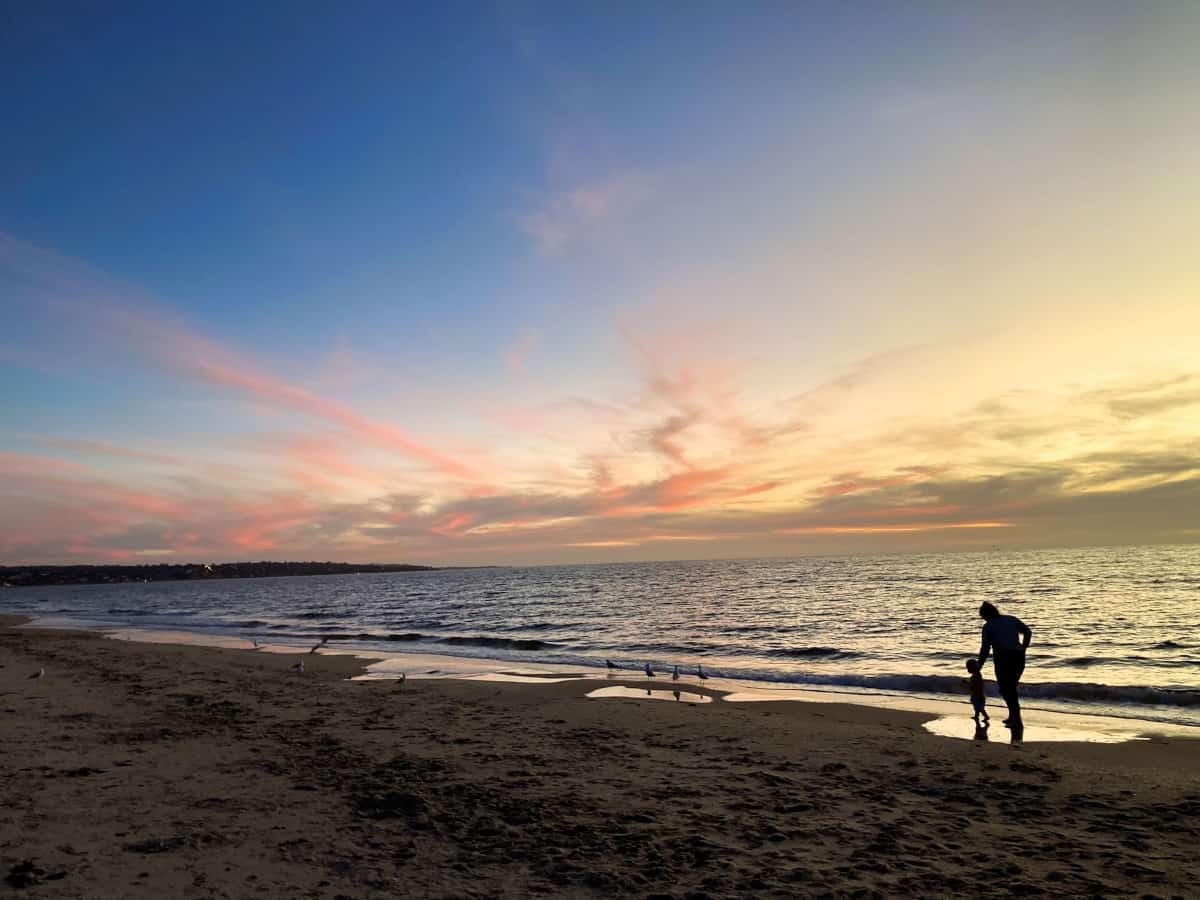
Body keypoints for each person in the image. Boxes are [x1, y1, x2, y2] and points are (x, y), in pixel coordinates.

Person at [977, 601, 1032, 726]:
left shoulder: (988, 626)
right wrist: (1024, 647)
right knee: (1011, 687)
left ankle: (1015, 717)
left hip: (1003, 658)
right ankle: (1014, 715)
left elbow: (985, 648)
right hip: (1018, 657)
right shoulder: (1011, 619)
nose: (983, 619)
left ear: (986, 615)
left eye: (982, 616)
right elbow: (1028, 632)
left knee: (1006, 688)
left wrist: (979, 664)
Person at [965, 658, 989, 726]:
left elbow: (978, 686)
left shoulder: (976, 676)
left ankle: (986, 716)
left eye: (968, 668)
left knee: (979, 707)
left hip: (978, 695)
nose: (968, 670)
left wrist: (980, 695)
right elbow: (973, 684)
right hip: (976, 694)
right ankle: (976, 716)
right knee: (977, 707)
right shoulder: (976, 675)